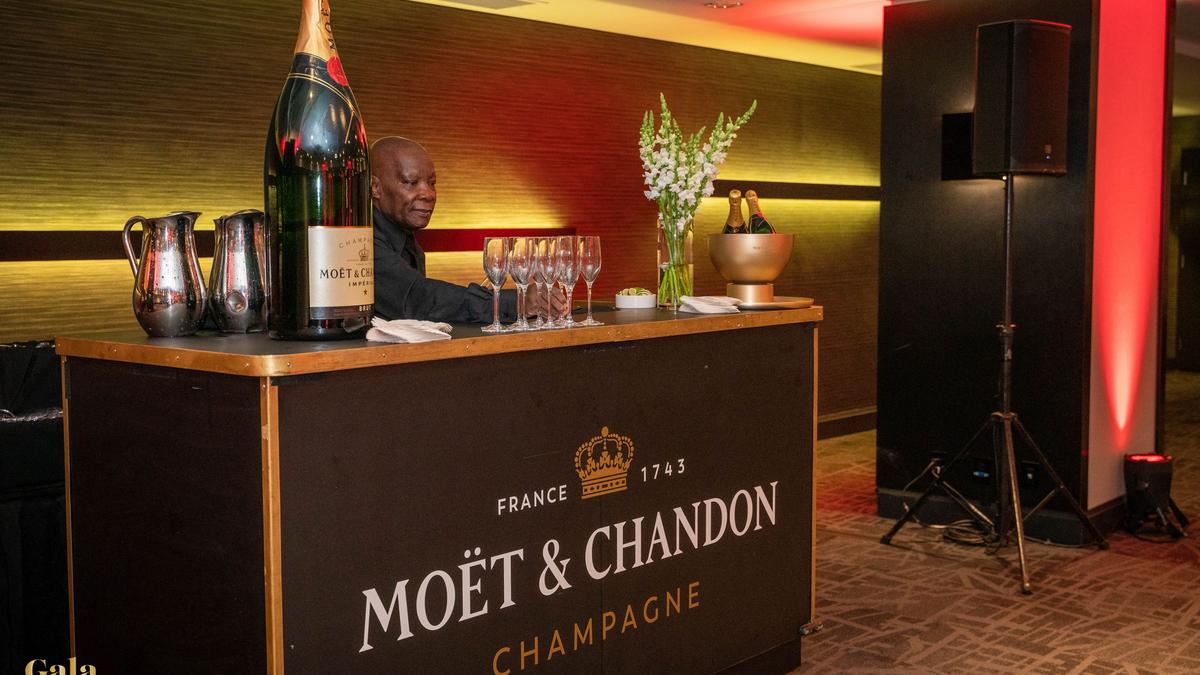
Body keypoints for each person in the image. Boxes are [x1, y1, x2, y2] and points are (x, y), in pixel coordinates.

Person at [371, 136, 562, 323]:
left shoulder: (405, 236)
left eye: (432, 183)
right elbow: (419, 298)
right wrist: (515, 302)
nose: (428, 194)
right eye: (411, 182)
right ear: (375, 188)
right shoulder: (362, 243)